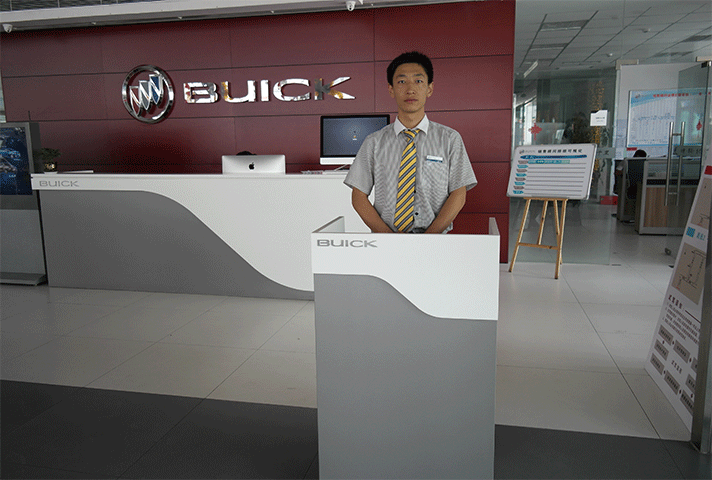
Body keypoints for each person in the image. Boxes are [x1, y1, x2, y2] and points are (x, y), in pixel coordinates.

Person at [344, 51, 477, 233]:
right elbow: (358, 196)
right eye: (401, 81)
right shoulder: (373, 142)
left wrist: (430, 237)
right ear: (391, 89)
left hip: (435, 239)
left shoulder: (450, 139)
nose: (410, 89)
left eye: (418, 81)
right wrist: (388, 238)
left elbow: (459, 193)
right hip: (387, 239)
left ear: (429, 88)